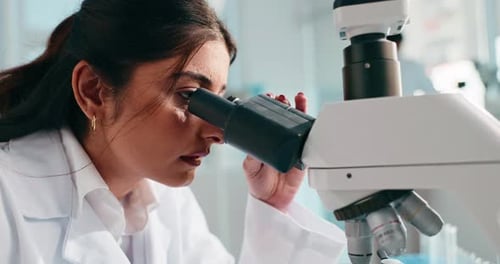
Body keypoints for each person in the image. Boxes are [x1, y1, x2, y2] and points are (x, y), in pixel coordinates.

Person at [0, 0, 346, 263]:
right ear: (94, 90)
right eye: (189, 96)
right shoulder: (7, 197)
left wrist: (273, 207)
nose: (218, 132)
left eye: (222, 101)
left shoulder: (166, 200)